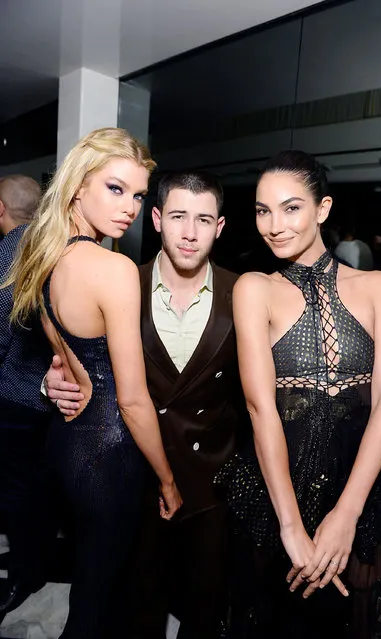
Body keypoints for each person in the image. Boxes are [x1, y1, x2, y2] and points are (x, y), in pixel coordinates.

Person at [46, 170, 248, 639]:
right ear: (156, 219)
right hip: (134, 478)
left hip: (211, 483)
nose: (190, 232)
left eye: (203, 219)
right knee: (136, 609)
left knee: (206, 610)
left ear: (220, 227)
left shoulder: (244, 294)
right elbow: (76, 355)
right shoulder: (120, 283)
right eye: (178, 216)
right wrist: (51, 383)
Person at [216, 150, 381, 638]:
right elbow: (261, 411)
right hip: (276, 501)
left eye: (291, 207)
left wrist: (347, 513)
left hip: (356, 492)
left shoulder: (380, 287)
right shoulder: (254, 288)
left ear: (322, 209)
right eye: (262, 210)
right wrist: (290, 527)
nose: (274, 225)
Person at [3, 128, 181, 638]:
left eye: (139, 194)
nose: (129, 207)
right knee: (97, 599)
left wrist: (58, 375)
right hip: (109, 454)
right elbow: (131, 398)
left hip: (63, 444)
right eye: (115, 189)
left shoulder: (43, 255)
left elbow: (68, 358)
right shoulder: (115, 268)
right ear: (78, 186)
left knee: (89, 578)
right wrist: (167, 480)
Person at [0, 175, 54, 621]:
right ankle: (31, 561)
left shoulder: (10, 248)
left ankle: (24, 571)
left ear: (2, 209)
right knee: (37, 489)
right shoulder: (55, 243)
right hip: (51, 400)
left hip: (16, 397)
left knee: (16, 492)